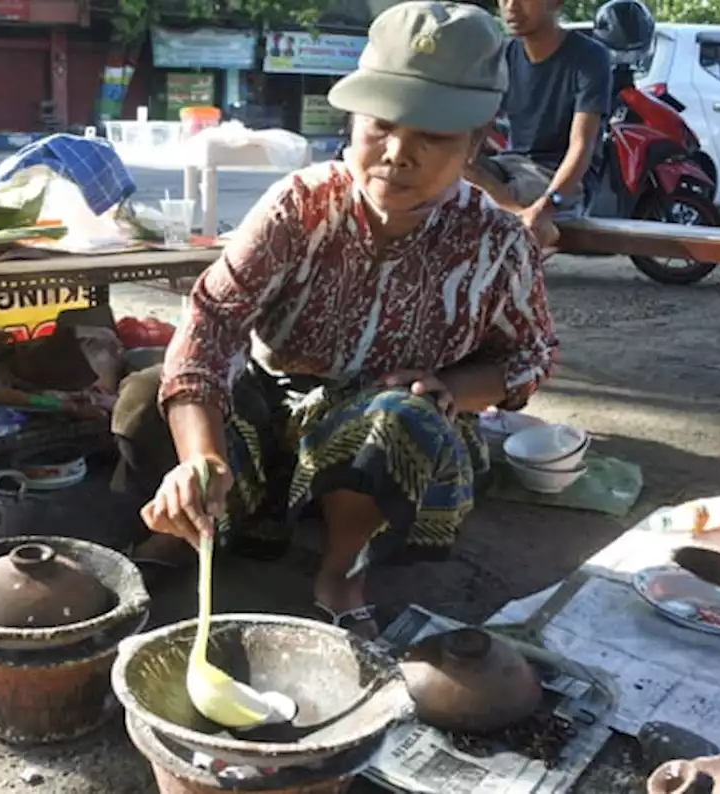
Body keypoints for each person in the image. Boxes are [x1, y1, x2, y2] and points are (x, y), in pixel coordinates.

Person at [111, 0, 559, 639]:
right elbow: (213, 320)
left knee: (404, 418)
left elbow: (532, 354)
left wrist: (455, 390)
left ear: (476, 144)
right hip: (273, 412)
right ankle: (199, 522)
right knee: (143, 393)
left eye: (432, 137)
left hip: (379, 435)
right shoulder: (301, 204)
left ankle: (343, 565)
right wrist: (200, 459)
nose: (397, 153)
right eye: (380, 125)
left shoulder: (496, 241)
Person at [465, 0, 614, 247]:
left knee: (479, 200)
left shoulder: (590, 57)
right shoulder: (506, 54)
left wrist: (548, 205)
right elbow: (480, 121)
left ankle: (524, 220)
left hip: (559, 178)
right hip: (511, 166)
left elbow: (581, 146)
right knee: (449, 173)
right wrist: (460, 160)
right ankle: (520, 217)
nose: (510, 6)